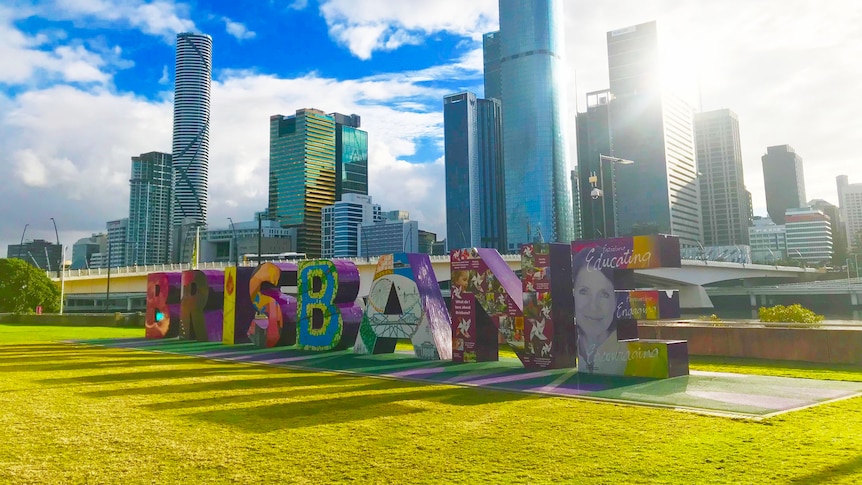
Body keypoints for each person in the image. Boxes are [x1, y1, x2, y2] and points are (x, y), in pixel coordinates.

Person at [572, 248, 624, 374]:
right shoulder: (562, 349)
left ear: (616, 300)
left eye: (604, 294)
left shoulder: (637, 356)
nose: (593, 306)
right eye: (584, 292)